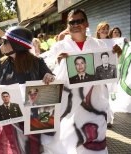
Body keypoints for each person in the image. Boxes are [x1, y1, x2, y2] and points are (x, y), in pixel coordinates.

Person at [46, 9, 121, 154]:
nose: (75, 25)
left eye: (79, 21)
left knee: (95, 139)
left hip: (95, 104)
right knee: (70, 140)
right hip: (70, 106)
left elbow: (109, 72)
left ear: (86, 23)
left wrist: (116, 56)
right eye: (71, 22)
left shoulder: (100, 45)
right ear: (67, 26)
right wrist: (57, 61)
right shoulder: (58, 46)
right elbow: (48, 70)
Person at [0, 26, 54, 153]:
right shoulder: (2, 63)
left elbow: (52, 80)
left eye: (5, 42)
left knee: (33, 150)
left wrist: (49, 77)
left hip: (35, 120)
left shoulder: (37, 62)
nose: (2, 45)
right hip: (10, 120)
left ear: (17, 45)